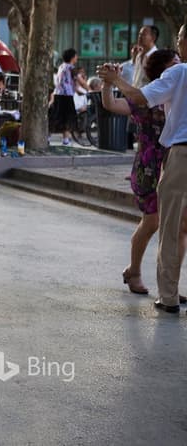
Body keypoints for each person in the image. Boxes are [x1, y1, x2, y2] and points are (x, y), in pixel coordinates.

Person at [98, 23, 187, 314]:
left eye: (179, 44)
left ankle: (169, 293)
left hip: (176, 158)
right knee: (156, 222)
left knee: (173, 228)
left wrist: (115, 78)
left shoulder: (177, 78)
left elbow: (137, 96)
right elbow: (116, 103)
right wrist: (111, 83)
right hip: (153, 165)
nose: (177, 55)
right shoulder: (166, 84)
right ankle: (136, 271)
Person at [51, 48, 87, 146]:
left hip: (58, 94)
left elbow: (70, 83)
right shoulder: (71, 68)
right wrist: (90, 89)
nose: (77, 58)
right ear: (72, 57)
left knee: (57, 117)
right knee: (68, 117)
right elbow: (80, 81)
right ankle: (65, 139)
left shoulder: (61, 66)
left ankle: (51, 137)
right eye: (76, 56)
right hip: (66, 96)